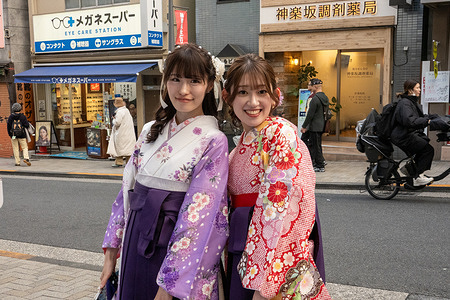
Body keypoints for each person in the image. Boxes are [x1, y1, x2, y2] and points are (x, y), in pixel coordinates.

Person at [100, 43, 229, 299]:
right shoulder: (149, 130)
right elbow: (126, 193)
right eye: (175, 79)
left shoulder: (213, 141)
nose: (183, 90)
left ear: (209, 85)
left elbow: (198, 219)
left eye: (194, 80)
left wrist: (169, 284)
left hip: (177, 249)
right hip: (137, 238)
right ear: (165, 82)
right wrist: (111, 252)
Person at [222, 54, 330, 299]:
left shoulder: (281, 134)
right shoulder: (235, 150)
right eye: (242, 92)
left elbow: (285, 209)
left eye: (261, 91)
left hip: (273, 258)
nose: (253, 101)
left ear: (274, 95)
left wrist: (265, 284)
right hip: (242, 251)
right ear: (227, 97)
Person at [391, 79, 434, 186]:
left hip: (407, 134)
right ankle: (417, 176)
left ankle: (412, 172)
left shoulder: (411, 102)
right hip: (403, 136)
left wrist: (432, 118)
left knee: (423, 148)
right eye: (417, 88)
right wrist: (427, 121)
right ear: (410, 90)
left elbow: (418, 117)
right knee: (427, 150)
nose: (420, 90)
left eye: (419, 87)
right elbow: (409, 121)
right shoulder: (405, 103)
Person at [300, 78, 329, 173]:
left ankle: (319, 165)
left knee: (315, 146)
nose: (309, 86)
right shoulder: (324, 97)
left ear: (315, 86)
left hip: (314, 126)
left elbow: (310, 115)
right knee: (317, 145)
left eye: (310, 85)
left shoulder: (315, 99)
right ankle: (320, 162)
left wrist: (304, 126)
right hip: (321, 125)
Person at [107, 97, 136, 167]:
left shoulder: (119, 112)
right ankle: (129, 162)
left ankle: (119, 162)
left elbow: (117, 123)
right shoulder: (126, 111)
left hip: (121, 133)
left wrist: (114, 120)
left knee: (119, 148)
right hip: (128, 133)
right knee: (128, 148)